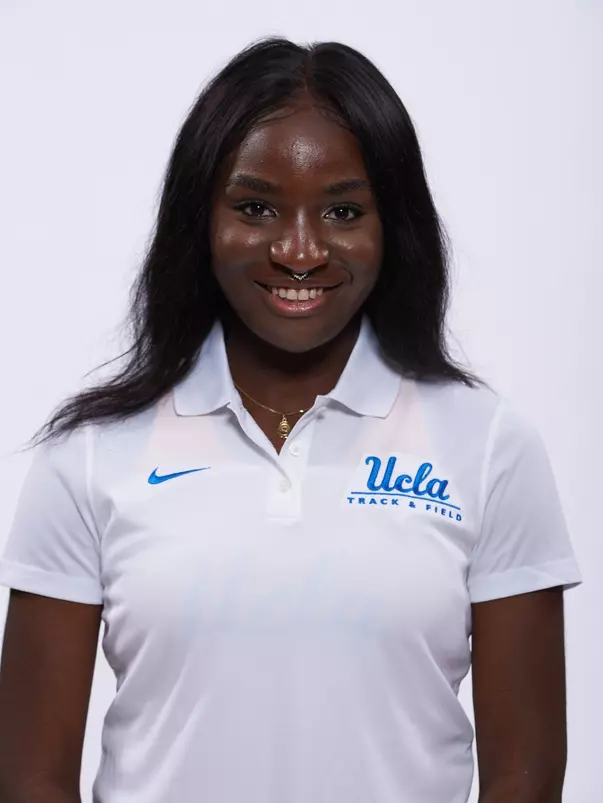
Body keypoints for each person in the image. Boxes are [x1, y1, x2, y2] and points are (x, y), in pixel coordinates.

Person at [0, 37, 582, 803]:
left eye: (342, 210)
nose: (299, 250)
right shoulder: (88, 455)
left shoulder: (488, 446)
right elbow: (30, 777)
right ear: (199, 222)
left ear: (393, 225)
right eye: (255, 208)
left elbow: (524, 778)